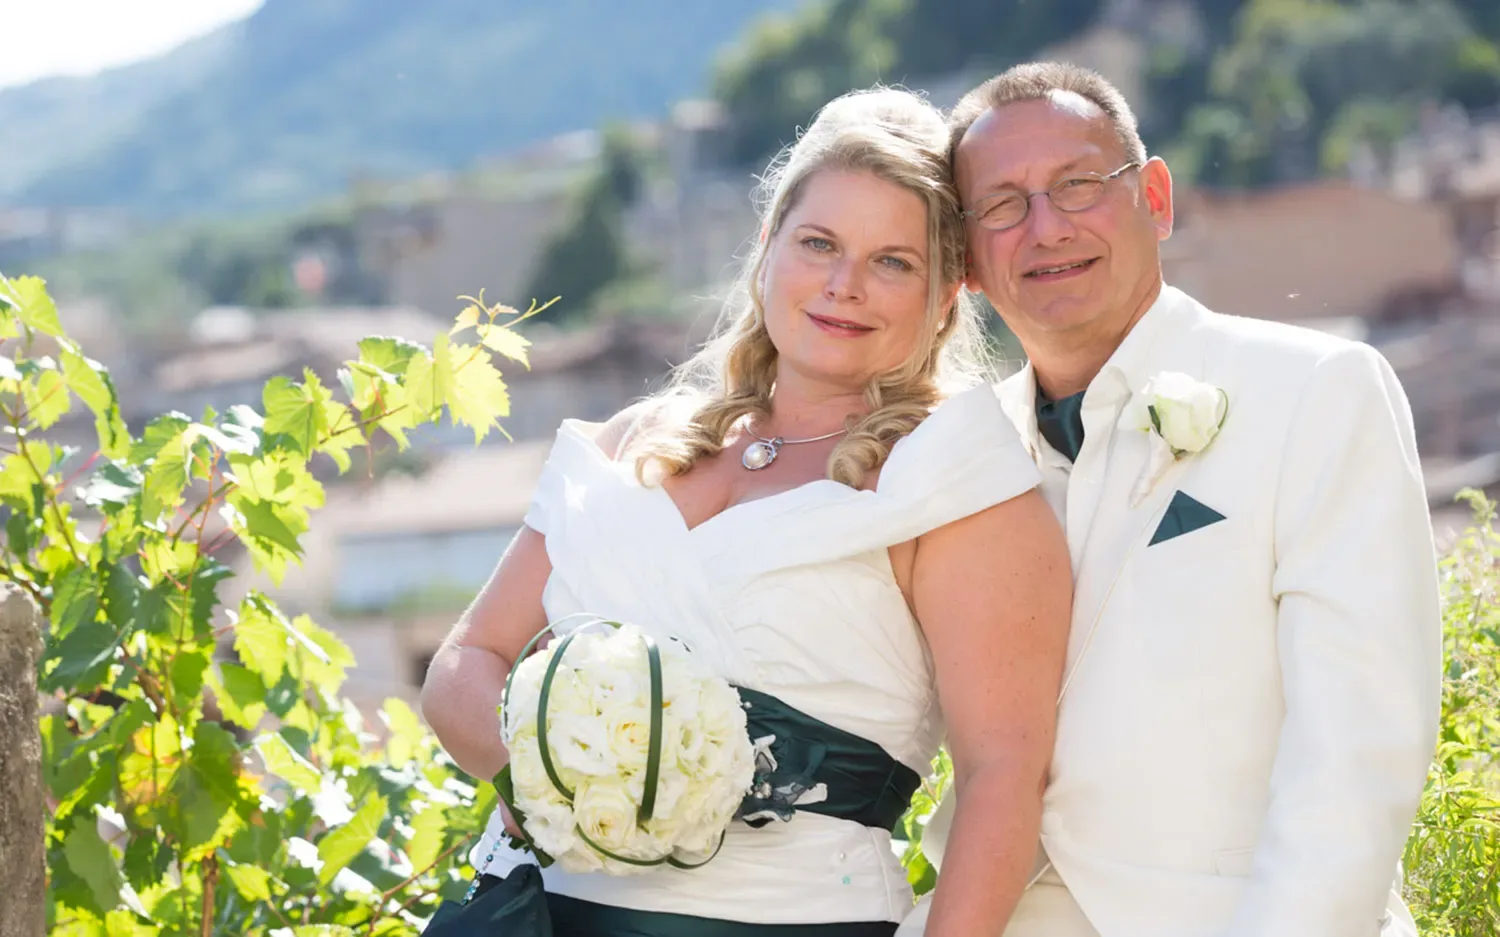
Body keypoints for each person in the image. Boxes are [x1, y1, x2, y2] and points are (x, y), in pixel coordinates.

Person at [419, 85, 1073, 937]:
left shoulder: (954, 487)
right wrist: (551, 783)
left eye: (892, 262)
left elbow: (1004, 774)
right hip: (531, 913)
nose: (845, 285)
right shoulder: (630, 443)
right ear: (766, 249)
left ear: (946, 293)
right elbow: (468, 657)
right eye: (818, 243)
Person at [903, 62, 1443, 937]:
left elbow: (1357, 752)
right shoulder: (958, 459)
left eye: (1078, 184)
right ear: (965, 259)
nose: (1046, 227)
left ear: (1154, 197)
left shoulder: (1316, 390)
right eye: (1001, 205)